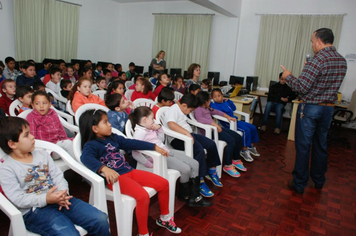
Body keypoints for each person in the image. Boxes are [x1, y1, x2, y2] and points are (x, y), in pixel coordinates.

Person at [0, 117, 110, 236]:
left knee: (100, 219)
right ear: (12, 144)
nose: (32, 137)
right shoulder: (6, 168)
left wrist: (63, 192)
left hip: (61, 199)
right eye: (26, 135)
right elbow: (17, 198)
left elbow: (58, 176)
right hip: (35, 211)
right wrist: (46, 199)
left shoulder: (42, 155)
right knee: (68, 234)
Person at [79, 109, 182, 236]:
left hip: (129, 171)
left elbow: (131, 143)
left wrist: (154, 147)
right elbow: (85, 158)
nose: (110, 124)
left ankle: (164, 219)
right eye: (105, 122)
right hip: (117, 179)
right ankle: (143, 233)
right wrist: (103, 168)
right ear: (95, 129)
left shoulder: (113, 137)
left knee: (164, 183)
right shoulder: (91, 145)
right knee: (143, 196)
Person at [280, 28, 347, 194]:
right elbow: (321, 84)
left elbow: (301, 88)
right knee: (321, 145)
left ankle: (299, 183)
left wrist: (288, 76)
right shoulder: (341, 60)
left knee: (303, 147)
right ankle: (318, 180)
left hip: (311, 109)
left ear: (319, 41)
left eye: (312, 41)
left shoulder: (318, 60)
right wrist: (308, 70)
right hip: (328, 109)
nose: (312, 45)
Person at [130, 106, 211, 207]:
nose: (153, 120)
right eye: (152, 118)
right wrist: (148, 163)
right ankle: (184, 194)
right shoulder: (139, 133)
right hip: (160, 157)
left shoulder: (148, 128)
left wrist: (159, 129)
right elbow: (135, 153)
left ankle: (194, 195)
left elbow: (161, 140)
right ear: (145, 120)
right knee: (186, 169)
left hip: (166, 151)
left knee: (195, 163)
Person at [165, 94, 222, 197]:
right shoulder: (173, 109)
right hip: (177, 139)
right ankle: (200, 180)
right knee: (199, 150)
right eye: (190, 110)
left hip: (189, 135)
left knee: (211, 144)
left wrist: (188, 134)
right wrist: (186, 133)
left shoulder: (181, 108)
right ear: (184, 105)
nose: (190, 112)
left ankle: (212, 171)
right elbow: (171, 124)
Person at [195, 91, 246, 177]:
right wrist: (214, 124)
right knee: (231, 141)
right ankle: (228, 165)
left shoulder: (207, 108)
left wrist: (227, 116)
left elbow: (217, 112)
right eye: (209, 100)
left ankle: (236, 159)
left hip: (216, 129)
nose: (210, 101)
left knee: (237, 137)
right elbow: (200, 120)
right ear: (204, 102)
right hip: (210, 132)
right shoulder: (198, 109)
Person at [210, 89, 260, 162]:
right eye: (215, 97)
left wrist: (229, 101)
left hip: (236, 121)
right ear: (212, 98)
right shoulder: (214, 105)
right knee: (246, 130)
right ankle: (244, 150)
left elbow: (234, 108)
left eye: (219, 96)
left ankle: (250, 146)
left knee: (253, 127)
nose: (217, 98)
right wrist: (222, 103)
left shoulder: (226, 102)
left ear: (222, 95)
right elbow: (219, 112)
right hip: (228, 123)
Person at [26, 91, 75, 158]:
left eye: (44, 103)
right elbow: (32, 136)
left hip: (58, 144)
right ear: (32, 105)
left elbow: (60, 129)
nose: (41, 106)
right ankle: (80, 166)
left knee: (75, 142)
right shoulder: (31, 117)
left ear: (49, 104)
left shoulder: (52, 113)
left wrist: (65, 139)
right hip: (46, 150)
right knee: (67, 144)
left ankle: (78, 162)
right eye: (37, 103)